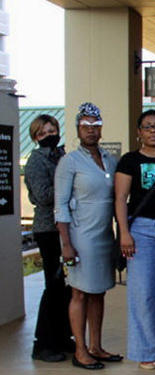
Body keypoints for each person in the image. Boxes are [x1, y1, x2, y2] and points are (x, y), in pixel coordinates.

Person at [54, 103, 121, 370]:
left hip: (104, 234)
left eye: (95, 126)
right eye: (85, 126)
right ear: (78, 129)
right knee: (80, 292)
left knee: (99, 293)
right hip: (80, 236)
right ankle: (80, 349)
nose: (91, 131)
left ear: (101, 128)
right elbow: (59, 206)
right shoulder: (69, 161)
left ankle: (96, 345)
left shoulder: (109, 159)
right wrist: (66, 244)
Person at [115, 109, 155, 370]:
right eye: (148, 127)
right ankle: (146, 350)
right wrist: (124, 232)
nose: (153, 131)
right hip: (141, 229)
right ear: (139, 132)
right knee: (142, 292)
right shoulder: (129, 160)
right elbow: (120, 198)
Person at [24, 114, 73, 362]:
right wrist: (67, 184)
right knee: (53, 286)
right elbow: (42, 196)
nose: (48, 136)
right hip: (48, 229)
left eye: (51, 130)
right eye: (42, 133)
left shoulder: (63, 156)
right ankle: (43, 343)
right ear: (35, 137)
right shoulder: (36, 161)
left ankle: (63, 337)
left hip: (67, 226)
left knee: (67, 288)